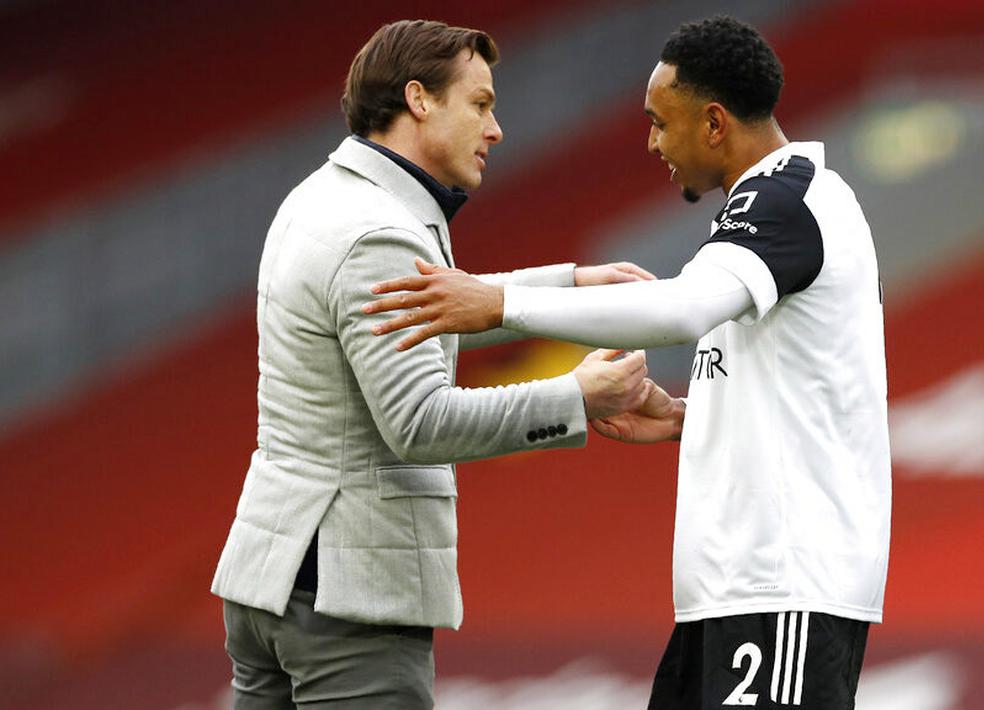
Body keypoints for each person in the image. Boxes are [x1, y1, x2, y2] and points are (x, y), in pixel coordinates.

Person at [363, 16, 891, 709]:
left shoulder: (785, 198)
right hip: (738, 593)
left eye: (658, 123)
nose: (650, 142)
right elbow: (806, 385)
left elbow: (679, 311)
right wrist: (684, 419)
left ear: (712, 123)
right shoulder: (775, 207)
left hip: (782, 587)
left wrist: (497, 303)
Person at [210, 19, 658, 708]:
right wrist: (577, 397)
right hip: (346, 599)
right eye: (479, 103)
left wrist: (568, 286)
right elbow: (418, 422)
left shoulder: (322, 198)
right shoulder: (379, 231)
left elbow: (412, 324)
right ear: (418, 100)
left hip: (274, 578)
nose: (496, 127)